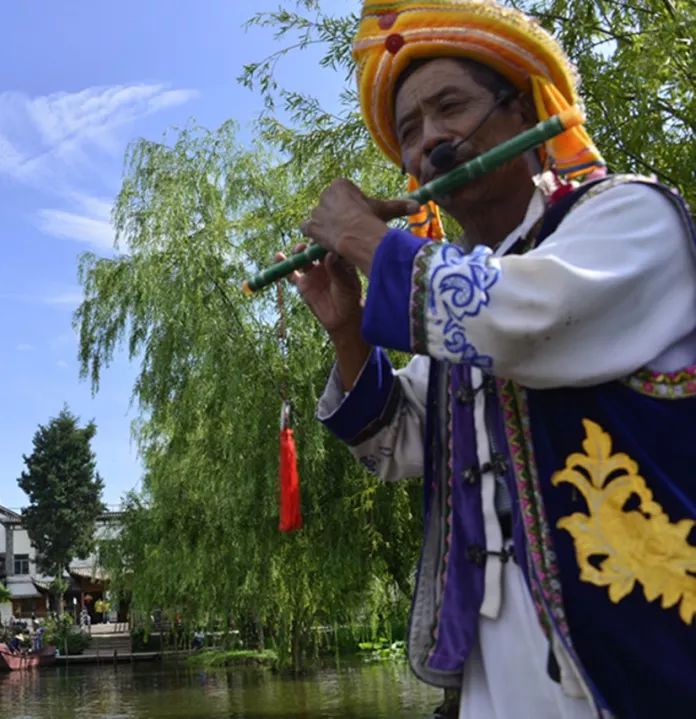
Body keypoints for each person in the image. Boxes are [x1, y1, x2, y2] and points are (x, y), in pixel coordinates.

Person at [288, 2, 696, 717]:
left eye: (451, 107)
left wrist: (365, 239)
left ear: (527, 108)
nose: (429, 140)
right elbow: (393, 445)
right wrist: (349, 330)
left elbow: (516, 317)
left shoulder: (631, 217)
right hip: (489, 662)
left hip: (633, 638)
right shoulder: (451, 309)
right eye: (409, 131)